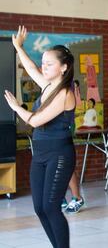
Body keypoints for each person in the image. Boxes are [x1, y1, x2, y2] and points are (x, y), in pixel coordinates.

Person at [4, 26, 76, 248]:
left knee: (52, 207)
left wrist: (17, 107)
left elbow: (35, 121)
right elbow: (31, 68)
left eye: (49, 64)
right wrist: (18, 47)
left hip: (59, 154)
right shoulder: (48, 87)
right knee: (39, 207)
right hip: (41, 153)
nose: (43, 67)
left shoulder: (65, 93)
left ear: (63, 67)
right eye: (43, 63)